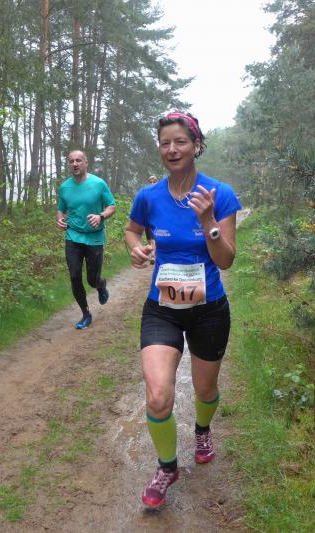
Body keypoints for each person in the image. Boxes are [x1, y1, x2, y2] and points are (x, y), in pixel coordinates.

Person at [124, 112, 241, 509]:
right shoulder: (149, 196)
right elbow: (131, 229)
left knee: (205, 390)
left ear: (196, 145)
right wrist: (135, 249)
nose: (172, 149)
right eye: (165, 143)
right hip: (163, 308)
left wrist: (208, 220)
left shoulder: (220, 193)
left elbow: (226, 260)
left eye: (180, 142)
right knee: (158, 396)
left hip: (209, 310)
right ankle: (167, 466)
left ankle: (203, 429)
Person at [56, 150, 117, 329]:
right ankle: (86, 314)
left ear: (85, 162)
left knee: (92, 279)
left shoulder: (98, 183)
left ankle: (101, 284)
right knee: (75, 276)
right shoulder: (65, 187)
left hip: (94, 237)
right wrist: (60, 219)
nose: (75, 164)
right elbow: (61, 209)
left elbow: (112, 206)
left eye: (78, 160)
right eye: (71, 161)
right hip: (73, 236)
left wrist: (101, 216)